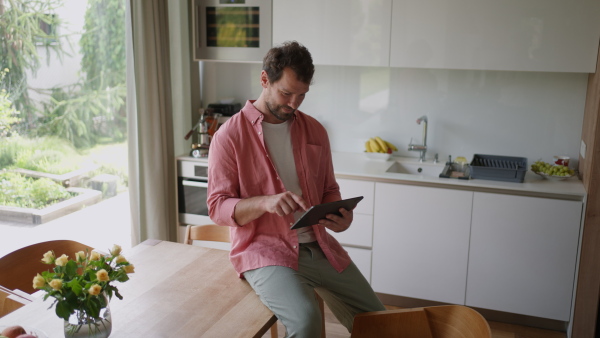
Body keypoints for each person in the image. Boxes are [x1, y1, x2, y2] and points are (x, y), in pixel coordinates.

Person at [207, 41, 385, 337]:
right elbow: (217, 207)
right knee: (306, 322)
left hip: (319, 245)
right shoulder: (229, 136)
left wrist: (341, 216)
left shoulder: (315, 130)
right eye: (286, 93)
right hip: (264, 251)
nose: (293, 104)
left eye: (301, 95)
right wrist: (264, 203)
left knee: (380, 322)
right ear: (265, 80)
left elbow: (329, 188)